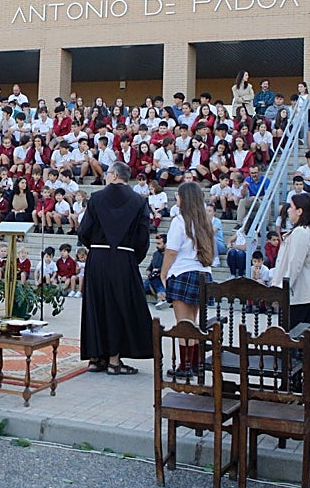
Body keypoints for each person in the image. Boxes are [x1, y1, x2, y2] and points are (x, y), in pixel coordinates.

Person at [79, 161, 152, 375]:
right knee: (120, 307)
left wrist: (95, 248)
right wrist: (131, 258)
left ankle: (96, 357)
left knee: (96, 305)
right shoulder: (139, 201)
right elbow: (142, 237)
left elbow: (84, 230)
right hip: (124, 258)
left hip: (98, 256)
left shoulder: (97, 198)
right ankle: (113, 359)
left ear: (113, 175)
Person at [159, 181, 215, 377]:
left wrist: (163, 273)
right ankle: (195, 363)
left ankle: (185, 365)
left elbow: (171, 251)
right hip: (203, 273)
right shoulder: (205, 221)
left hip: (183, 272)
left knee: (183, 322)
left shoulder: (180, 220)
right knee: (193, 320)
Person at [271, 192, 310, 334]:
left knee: (293, 338)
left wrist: (281, 290)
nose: (288, 210)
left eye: (291, 207)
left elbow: (294, 265)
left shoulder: (302, 232)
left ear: (299, 211)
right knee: (307, 339)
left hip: (300, 295)